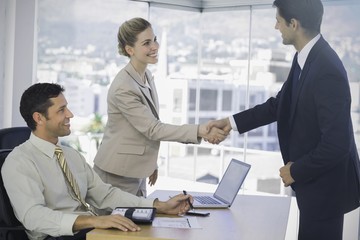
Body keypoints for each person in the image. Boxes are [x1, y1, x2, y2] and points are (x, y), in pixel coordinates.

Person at [207, 0, 360, 239]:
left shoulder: (326, 68)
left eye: (278, 21)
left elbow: (337, 144)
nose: (275, 27)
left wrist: (296, 170)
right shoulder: (305, 58)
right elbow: (280, 105)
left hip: (325, 191)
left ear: (294, 24)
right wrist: (232, 122)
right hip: (313, 188)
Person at [1, 83, 193, 240]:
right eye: (61, 110)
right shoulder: (19, 162)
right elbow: (33, 217)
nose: (70, 114)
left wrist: (160, 205)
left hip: (89, 231)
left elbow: (105, 195)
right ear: (39, 118)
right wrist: (93, 221)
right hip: (57, 236)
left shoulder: (71, 155)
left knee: (154, 232)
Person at [93, 17, 227, 197]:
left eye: (154, 39)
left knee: (138, 222)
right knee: (122, 224)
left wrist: (149, 163)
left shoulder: (146, 75)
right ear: (129, 49)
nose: (155, 46)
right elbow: (153, 128)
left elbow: (143, 127)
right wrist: (201, 130)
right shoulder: (124, 86)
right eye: (146, 43)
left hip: (134, 169)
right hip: (117, 173)